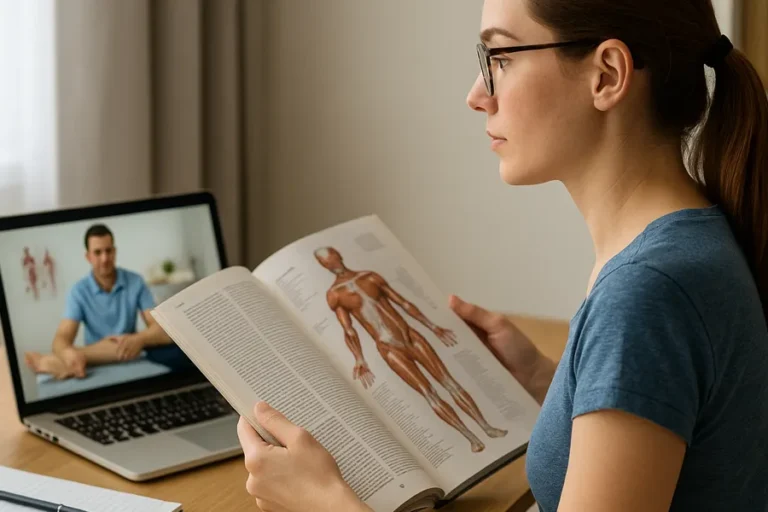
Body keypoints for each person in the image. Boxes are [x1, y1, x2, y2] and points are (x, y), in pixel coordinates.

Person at [235, 0, 768, 510]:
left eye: (501, 59)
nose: (476, 94)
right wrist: (545, 379)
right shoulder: (689, 242)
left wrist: (327, 504)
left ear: (606, 75)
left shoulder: (647, 291)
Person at [315, 246, 507, 454]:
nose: (330, 263)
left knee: (450, 383)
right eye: (324, 262)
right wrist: (359, 359)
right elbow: (349, 330)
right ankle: (471, 438)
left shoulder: (370, 277)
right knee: (428, 393)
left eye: (330, 257)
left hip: (412, 338)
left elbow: (403, 303)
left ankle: (487, 428)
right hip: (389, 348)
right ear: (322, 266)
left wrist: (432, 327)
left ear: (338, 254)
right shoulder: (335, 295)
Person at [24, 223, 188, 380]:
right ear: (88, 256)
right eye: (97, 252)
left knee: (161, 338)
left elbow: (161, 330)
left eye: (108, 251)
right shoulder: (79, 291)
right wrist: (67, 353)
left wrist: (139, 339)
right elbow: (61, 338)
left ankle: (60, 362)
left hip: (127, 351)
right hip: (97, 362)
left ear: (115, 252)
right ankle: (74, 359)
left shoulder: (135, 281)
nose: (104, 258)